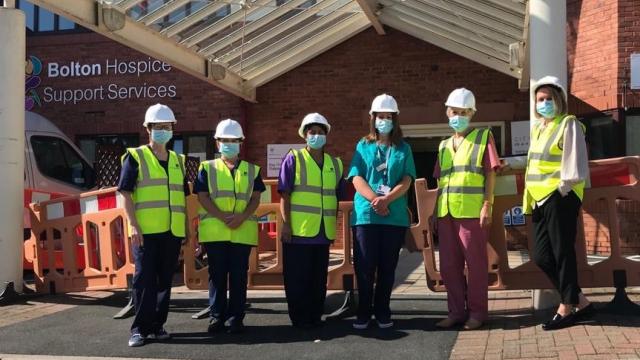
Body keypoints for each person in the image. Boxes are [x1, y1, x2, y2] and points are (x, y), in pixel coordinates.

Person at [524, 76, 593, 330]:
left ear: (559, 100)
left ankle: (566, 308)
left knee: (562, 251)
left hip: (558, 196)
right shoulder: (539, 129)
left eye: (548, 99)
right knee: (542, 256)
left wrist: (562, 190)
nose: (543, 103)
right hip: (539, 198)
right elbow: (535, 161)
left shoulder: (569, 123)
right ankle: (580, 301)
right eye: (539, 99)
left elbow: (575, 162)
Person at [118, 103, 188, 347]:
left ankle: (158, 326)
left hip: (171, 231)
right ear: (147, 129)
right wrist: (134, 225)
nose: (162, 130)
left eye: (166, 126)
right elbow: (125, 193)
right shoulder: (135, 156)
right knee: (144, 281)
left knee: (164, 282)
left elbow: (182, 198)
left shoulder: (179, 160)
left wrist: (187, 229)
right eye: (157, 126)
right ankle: (139, 329)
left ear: (172, 130)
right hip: (145, 232)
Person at [433, 88, 500, 331]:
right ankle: (456, 312)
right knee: (449, 267)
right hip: (446, 213)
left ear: (472, 113)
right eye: (454, 112)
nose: (458, 116)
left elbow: (490, 173)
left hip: (472, 213)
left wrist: (487, 205)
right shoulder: (442, 145)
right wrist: (434, 214)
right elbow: (441, 181)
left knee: (476, 265)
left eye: (463, 112)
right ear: (447, 112)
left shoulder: (483, 137)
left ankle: (478, 313)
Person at [348, 94, 416, 329]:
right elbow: (356, 177)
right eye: (380, 116)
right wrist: (376, 199)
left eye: (389, 117)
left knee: (388, 267)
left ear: (395, 120)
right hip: (366, 215)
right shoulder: (362, 145)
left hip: (393, 216)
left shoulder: (404, 148)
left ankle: (383, 310)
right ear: (373, 118)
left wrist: (387, 199)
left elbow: (407, 179)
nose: (384, 120)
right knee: (365, 266)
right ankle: (364, 311)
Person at [195, 119, 265, 334]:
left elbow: (255, 198)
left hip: (241, 231)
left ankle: (236, 318)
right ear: (217, 143)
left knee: (238, 276)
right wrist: (223, 216)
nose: (229, 144)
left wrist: (242, 217)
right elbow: (202, 196)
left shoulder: (252, 170)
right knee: (216, 276)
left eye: (233, 140)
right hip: (216, 231)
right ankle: (217, 316)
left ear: (240, 143)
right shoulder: (207, 168)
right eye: (225, 140)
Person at [278, 113, 345, 328]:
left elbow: (335, 197)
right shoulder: (294, 158)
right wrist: (286, 224)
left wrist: (332, 228)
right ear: (304, 135)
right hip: (298, 231)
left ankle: (315, 316)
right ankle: (299, 319)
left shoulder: (336, 164)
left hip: (323, 232)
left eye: (320, 132)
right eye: (312, 132)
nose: (316, 136)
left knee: (318, 279)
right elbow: (284, 195)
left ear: (326, 135)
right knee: (297, 279)